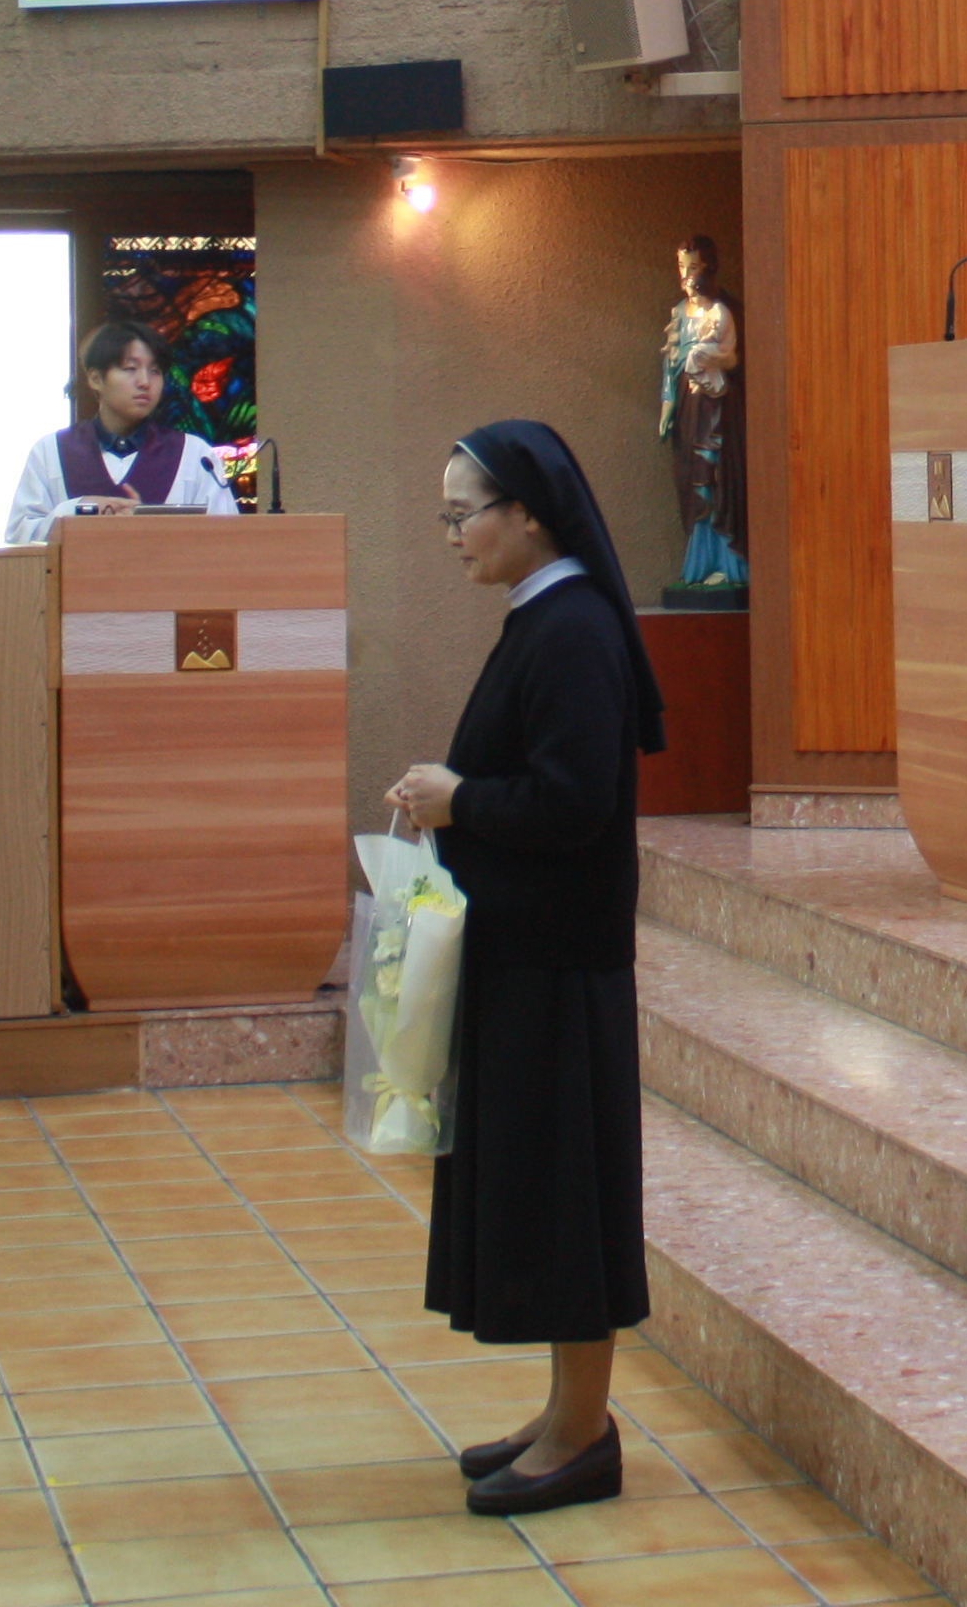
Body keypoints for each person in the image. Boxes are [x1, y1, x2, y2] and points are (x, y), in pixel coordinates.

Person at [383, 421, 667, 1519]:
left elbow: (574, 801)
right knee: (543, 1194)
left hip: (560, 963)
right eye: (447, 515)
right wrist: (452, 796)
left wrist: (460, 798)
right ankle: (565, 1414)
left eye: (465, 513)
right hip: (527, 954)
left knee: (567, 1202)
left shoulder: (575, 627)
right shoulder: (544, 616)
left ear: (530, 513)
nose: (453, 533)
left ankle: (584, 1432)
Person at [2, 316, 238, 543]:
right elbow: (19, 537)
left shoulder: (195, 455)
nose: (144, 382)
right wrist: (77, 509)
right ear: (95, 379)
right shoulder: (51, 451)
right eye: (129, 368)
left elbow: (227, 540)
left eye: (155, 371)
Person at [656, 238, 745, 595]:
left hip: (717, 405)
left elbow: (735, 358)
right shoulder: (680, 312)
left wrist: (710, 359)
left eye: (693, 267)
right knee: (691, 477)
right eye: (682, 266)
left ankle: (728, 562)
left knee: (717, 477)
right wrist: (667, 406)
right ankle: (699, 563)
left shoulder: (724, 310)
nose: (686, 275)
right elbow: (670, 363)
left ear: (707, 268)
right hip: (687, 404)